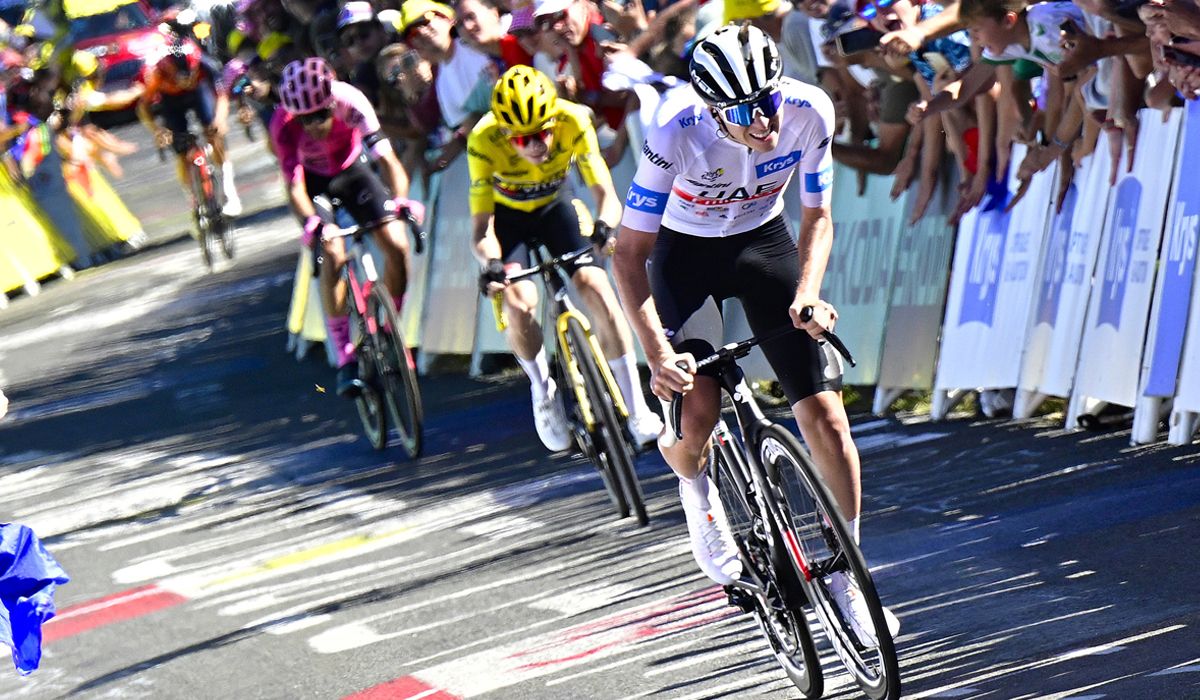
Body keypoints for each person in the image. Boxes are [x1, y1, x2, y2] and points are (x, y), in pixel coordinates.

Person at [611, 24, 899, 646]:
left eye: (767, 100)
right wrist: (657, 353)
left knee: (826, 418)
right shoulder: (675, 130)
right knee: (699, 413)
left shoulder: (807, 109)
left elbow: (818, 215)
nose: (763, 122)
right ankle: (694, 484)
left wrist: (810, 293)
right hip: (683, 256)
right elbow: (629, 254)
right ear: (714, 110)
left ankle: (850, 573)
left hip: (763, 244)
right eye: (743, 112)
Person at [470, 65, 664, 452]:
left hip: (557, 206)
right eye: (522, 139)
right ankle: (543, 390)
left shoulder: (573, 119)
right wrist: (490, 264)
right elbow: (481, 228)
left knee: (596, 286)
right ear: (505, 134)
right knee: (519, 302)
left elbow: (605, 193)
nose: (536, 144)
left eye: (543, 131)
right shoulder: (483, 138)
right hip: (508, 220)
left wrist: (605, 227)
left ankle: (637, 406)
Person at [270, 57, 421, 396]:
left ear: (331, 103)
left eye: (321, 115)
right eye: (305, 119)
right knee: (333, 254)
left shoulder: (352, 101)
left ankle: (389, 327)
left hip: (353, 172)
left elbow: (388, 160)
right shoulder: (283, 124)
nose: (313, 125)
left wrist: (400, 200)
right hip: (315, 185)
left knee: (397, 245)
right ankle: (345, 357)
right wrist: (312, 224)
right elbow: (294, 189)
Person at [136, 37, 243, 217]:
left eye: (190, 75)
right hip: (170, 101)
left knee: (214, 133)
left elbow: (222, 94)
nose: (186, 81)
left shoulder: (203, 64)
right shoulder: (155, 72)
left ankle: (229, 193)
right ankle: (193, 198)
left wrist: (220, 120)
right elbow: (143, 107)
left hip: (198, 93)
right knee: (181, 149)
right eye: (182, 78)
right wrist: (158, 131)